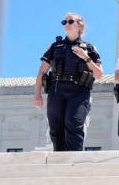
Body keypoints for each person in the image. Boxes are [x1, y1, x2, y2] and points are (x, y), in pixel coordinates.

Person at [33, 12, 103, 151]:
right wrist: (37, 94)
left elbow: (99, 74)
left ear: (79, 25)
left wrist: (86, 58)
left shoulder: (89, 48)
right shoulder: (55, 47)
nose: (66, 24)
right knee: (55, 128)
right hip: (57, 90)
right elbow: (42, 72)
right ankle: (59, 162)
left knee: (74, 124)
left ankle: (74, 162)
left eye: (70, 21)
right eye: (64, 22)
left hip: (79, 91)